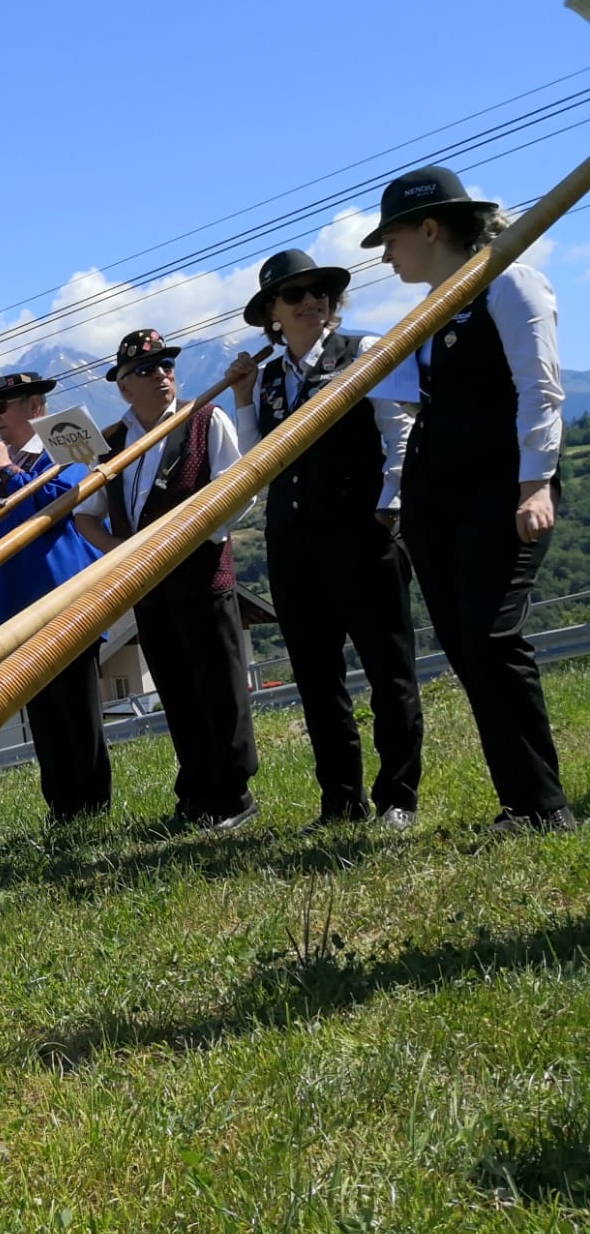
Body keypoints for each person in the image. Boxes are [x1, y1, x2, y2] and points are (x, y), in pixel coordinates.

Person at [366, 165, 575, 832]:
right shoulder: (432, 307)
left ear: (431, 228)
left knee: (492, 637)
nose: (386, 254)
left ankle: (546, 807)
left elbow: (540, 386)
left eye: (392, 239)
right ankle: (517, 803)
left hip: (500, 488)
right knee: (462, 644)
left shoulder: (509, 281)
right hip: (437, 495)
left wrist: (536, 481)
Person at [225, 249, 424, 831]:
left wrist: (392, 508)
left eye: (321, 291)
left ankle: (397, 800)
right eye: (296, 294)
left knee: (389, 669)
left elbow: (399, 432)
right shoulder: (264, 381)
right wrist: (241, 399)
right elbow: (254, 463)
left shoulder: (363, 352)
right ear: (273, 316)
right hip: (294, 542)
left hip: (365, 534)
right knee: (316, 677)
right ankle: (341, 800)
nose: (312, 300)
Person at [75, 329, 259, 830]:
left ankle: (234, 795)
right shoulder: (109, 443)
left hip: (202, 578)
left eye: (165, 365)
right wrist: (123, 554)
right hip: (148, 590)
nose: (160, 375)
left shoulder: (205, 418)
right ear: (122, 386)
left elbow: (240, 492)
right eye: (144, 370)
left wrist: (193, 536)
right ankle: (196, 793)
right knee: (178, 694)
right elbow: (85, 514)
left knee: (219, 691)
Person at [0, 372, 112, 822]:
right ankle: (61, 808)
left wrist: (7, 469)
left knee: (77, 709)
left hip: (65, 597)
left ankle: (93, 807)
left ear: (35, 408)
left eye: (2, 408)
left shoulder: (65, 449)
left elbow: (65, 501)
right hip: (15, 603)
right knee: (43, 714)